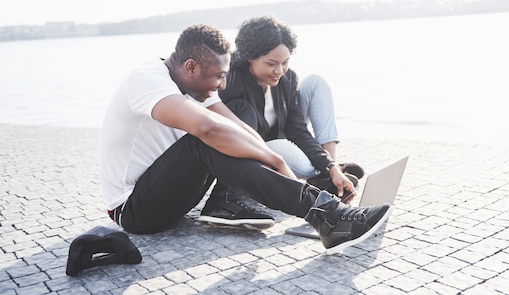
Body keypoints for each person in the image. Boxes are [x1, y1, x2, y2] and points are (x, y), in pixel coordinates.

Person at [98, 24, 391, 254]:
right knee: (205, 139)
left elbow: (236, 126)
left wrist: (279, 169)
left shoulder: (195, 82)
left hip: (169, 196)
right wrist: (274, 158)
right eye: (218, 77)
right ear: (190, 67)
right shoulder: (147, 80)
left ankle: (317, 207)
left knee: (228, 126)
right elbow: (209, 131)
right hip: (134, 210)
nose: (222, 85)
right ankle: (327, 215)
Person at [215, 16, 362, 201]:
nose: (279, 70)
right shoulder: (230, 80)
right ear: (250, 57)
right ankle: (321, 175)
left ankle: (331, 170)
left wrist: (329, 165)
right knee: (297, 159)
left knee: (316, 82)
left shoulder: (288, 79)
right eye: (271, 64)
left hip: (283, 138)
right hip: (258, 149)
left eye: (285, 62)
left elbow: (298, 130)